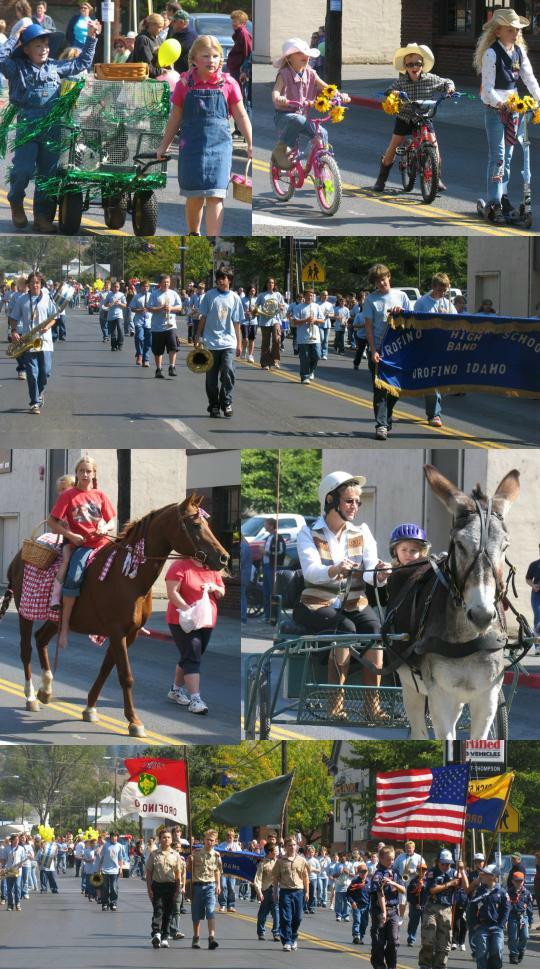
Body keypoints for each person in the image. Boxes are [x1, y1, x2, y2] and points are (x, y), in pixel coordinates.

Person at [294, 470, 390, 718]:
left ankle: (373, 707)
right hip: (315, 604)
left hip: (354, 602)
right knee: (345, 628)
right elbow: (312, 572)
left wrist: (379, 575)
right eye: (349, 501)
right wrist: (334, 569)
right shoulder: (308, 533)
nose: (355, 506)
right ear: (330, 500)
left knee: (375, 630)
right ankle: (335, 706)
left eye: (357, 502)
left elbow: (369, 573)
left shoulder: (362, 532)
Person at [0, 20, 100, 232]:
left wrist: (92, 38)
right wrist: (15, 37)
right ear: (26, 49)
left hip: (54, 127)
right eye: (37, 45)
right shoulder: (17, 68)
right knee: (23, 171)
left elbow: (81, 63)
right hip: (28, 127)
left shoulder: (55, 67)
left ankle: (42, 217)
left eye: (46, 44)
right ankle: (16, 201)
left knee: (48, 176)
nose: (44, 49)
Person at [156, 35, 252, 236]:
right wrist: (163, 146)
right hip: (191, 147)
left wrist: (251, 143)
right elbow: (175, 118)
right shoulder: (184, 83)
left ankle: (213, 238)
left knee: (216, 195)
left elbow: (241, 115)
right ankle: (194, 233)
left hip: (220, 148)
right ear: (194, 60)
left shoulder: (229, 83)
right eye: (206, 56)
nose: (212, 60)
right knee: (195, 197)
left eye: (216, 56)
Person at [473, 8, 540, 224]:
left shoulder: (519, 52)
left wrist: (538, 100)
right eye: (510, 30)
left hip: (514, 111)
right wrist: (501, 103)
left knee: (509, 158)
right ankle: (493, 202)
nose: (515, 34)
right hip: (497, 111)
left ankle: (503, 197)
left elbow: (529, 79)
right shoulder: (491, 53)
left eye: (517, 30)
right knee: (499, 157)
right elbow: (488, 88)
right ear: (498, 31)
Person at [47, 455, 116, 650]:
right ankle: (65, 626)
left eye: (89, 471)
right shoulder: (68, 495)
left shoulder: (100, 495)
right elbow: (52, 521)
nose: (85, 474)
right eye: (81, 471)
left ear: (94, 474)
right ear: (77, 473)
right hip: (83, 545)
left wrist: (107, 527)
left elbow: (111, 520)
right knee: (74, 577)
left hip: (104, 542)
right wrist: (71, 535)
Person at [373, 44, 454, 192]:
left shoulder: (430, 79)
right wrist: (394, 93)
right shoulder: (402, 82)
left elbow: (446, 81)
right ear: (405, 67)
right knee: (393, 147)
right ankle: (381, 179)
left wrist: (450, 88)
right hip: (405, 117)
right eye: (410, 64)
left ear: (422, 65)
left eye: (418, 63)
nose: (414, 67)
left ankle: (436, 178)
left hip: (424, 117)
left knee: (434, 147)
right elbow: (389, 90)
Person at [271, 38, 350, 170]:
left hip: (303, 117)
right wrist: (279, 98)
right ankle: (280, 150)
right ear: (289, 58)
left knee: (322, 133)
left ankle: (320, 161)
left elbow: (328, 89)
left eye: (306, 54)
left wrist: (340, 95)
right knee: (297, 119)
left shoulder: (311, 73)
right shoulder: (284, 74)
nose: (305, 56)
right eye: (299, 53)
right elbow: (276, 91)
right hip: (284, 116)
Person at [165, 542, 225, 715]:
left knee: (191, 655)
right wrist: (188, 610)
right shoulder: (179, 566)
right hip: (183, 620)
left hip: (206, 620)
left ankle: (175, 690)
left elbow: (221, 591)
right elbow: (172, 592)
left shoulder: (212, 568)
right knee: (192, 656)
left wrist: (215, 588)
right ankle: (195, 699)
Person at [363, 263, 411, 440]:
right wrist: (373, 350)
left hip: (398, 350)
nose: (382, 283)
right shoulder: (371, 300)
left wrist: (402, 312)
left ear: (389, 277)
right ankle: (381, 425)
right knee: (380, 390)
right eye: (377, 281)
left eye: (383, 279)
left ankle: (387, 415)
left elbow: (410, 322)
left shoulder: (402, 296)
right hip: (380, 350)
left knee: (396, 389)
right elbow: (368, 327)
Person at [194, 268, 244, 418]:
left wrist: (240, 344)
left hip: (228, 342)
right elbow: (203, 317)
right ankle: (214, 405)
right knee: (211, 377)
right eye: (219, 278)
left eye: (224, 278)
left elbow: (237, 323)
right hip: (211, 342)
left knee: (228, 371)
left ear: (230, 279)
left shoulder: (235, 298)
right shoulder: (209, 296)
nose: (221, 281)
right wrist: (197, 335)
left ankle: (226, 402)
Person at [8, 271, 59, 414]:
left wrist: (47, 326)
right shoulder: (22, 299)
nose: (35, 285)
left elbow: (54, 317)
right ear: (28, 284)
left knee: (46, 372)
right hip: (28, 341)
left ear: (41, 283)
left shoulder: (48, 297)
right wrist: (14, 331)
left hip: (45, 340)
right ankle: (34, 402)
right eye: (32, 283)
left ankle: (40, 392)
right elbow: (13, 317)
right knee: (32, 373)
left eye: (37, 282)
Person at [414, 272, 458, 428]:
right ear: (433, 287)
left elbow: (457, 325)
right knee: (432, 383)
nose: (442, 293)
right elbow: (416, 324)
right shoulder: (422, 303)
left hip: (443, 348)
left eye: (445, 290)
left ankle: (431, 400)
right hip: (427, 347)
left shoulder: (448, 305)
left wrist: (447, 319)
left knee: (440, 383)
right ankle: (434, 414)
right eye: (440, 290)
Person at [418, 849, 467, 969]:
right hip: (432, 908)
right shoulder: (432, 872)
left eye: (448, 864)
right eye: (443, 863)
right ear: (437, 862)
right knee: (428, 940)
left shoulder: (455, 873)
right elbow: (432, 889)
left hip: (446, 909)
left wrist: (462, 870)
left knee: (444, 944)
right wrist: (450, 884)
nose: (445, 866)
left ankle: (440, 966)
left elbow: (466, 887)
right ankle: (425, 965)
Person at [146, 829, 186, 949]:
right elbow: (149, 873)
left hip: (171, 886)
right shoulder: (154, 854)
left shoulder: (176, 855)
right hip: (157, 885)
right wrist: (149, 889)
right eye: (164, 837)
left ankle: (164, 937)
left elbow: (178, 874)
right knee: (158, 910)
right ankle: (157, 933)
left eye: (168, 837)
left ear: (171, 839)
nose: (166, 839)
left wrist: (177, 889)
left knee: (168, 913)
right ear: (160, 839)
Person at [370, 845, 406, 969]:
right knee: (379, 942)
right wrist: (384, 913)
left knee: (394, 941)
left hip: (394, 910)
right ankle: (379, 966)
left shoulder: (395, 873)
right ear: (380, 859)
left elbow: (403, 889)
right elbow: (380, 894)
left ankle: (392, 966)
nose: (390, 862)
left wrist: (393, 883)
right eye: (388, 859)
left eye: (392, 859)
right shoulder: (378, 875)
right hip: (380, 911)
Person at [272, 835, 309, 953]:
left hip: (298, 891)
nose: (292, 847)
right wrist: (275, 893)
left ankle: (293, 938)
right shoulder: (280, 861)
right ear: (285, 847)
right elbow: (275, 878)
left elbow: (305, 876)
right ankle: (287, 941)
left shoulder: (302, 860)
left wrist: (307, 892)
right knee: (286, 918)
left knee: (298, 918)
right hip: (285, 892)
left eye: (294, 845)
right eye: (290, 845)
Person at [468, 865, 509, 969]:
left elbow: (506, 909)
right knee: (481, 951)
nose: (482, 875)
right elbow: (472, 908)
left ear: (493, 877)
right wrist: (475, 924)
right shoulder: (479, 891)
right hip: (482, 926)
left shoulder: (502, 892)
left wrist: (500, 924)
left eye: (485, 874)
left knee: (497, 951)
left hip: (496, 927)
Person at [188, 829, 222, 950]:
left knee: (211, 911)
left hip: (210, 886)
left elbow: (217, 871)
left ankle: (211, 938)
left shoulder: (217, 855)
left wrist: (218, 885)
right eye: (207, 839)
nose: (209, 842)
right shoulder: (196, 853)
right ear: (204, 839)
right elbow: (189, 870)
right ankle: (196, 938)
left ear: (215, 842)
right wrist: (190, 861)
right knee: (196, 914)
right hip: (197, 885)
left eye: (212, 840)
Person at [147, 273, 183, 378]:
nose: (166, 284)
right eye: (164, 282)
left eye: (168, 282)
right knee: (158, 350)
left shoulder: (173, 294)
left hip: (170, 325)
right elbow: (149, 308)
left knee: (173, 347)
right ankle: (159, 369)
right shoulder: (154, 294)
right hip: (157, 327)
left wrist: (171, 308)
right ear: (160, 283)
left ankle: (172, 367)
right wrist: (161, 308)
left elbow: (180, 307)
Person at [292, 289, 323, 384]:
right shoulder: (298, 307)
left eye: (311, 296)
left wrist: (315, 320)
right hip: (303, 337)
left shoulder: (317, 306)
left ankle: (311, 371)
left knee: (317, 355)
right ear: (304, 296)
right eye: (308, 296)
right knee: (304, 357)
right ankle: (304, 376)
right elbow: (295, 321)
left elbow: (322, 320)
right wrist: (306, 320)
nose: (310, 297)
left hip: (315, 336)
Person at [254, 278, 285, 370]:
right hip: (265, 321)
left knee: (277, 340)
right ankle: (265, 363)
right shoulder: (262, 295)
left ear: (274, 285)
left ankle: (275, 360)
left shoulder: (278, 295)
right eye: (269, 282)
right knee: (265, 342)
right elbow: (255, 307)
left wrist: (281, 307)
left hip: (275, 320)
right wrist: (259, 311)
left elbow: (282, 305)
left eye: (272, 283)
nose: (271, 284)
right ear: (266, 284)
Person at [261, 518, 286, 622]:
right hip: (266, 567)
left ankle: (274, 616)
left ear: (271, 526)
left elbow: (281, 552)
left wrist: (266, 553)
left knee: (273, 592)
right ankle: (267, 616)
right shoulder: (268, 537)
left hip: (273, 568)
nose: (264, 526)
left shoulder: (278, 538)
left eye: (266, 524)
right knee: (266, 593)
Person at [255, 842, 280, 941]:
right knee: (263, 913)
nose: (277, 852)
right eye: (275, 851)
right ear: (270, 852)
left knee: (276, 912)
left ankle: (276, 933)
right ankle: (261, 932)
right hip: (266, 890)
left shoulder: (279, 862)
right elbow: (258, 879)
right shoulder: (262, 863)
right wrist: (259, 893)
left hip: (276, 890)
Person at [506, 871, 533, 964]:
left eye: (520, 881)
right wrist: (505, 920)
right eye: (516, 881)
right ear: (513, 881)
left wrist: (531, 920)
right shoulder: (508, 892)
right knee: (513, 937)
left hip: (523, 917)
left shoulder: (527, 893)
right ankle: (513, 955)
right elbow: (506, 907)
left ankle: (521, 951)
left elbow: (529, 907)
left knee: (525, 936)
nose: (518, 882)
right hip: (512, 917)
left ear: (523, 881)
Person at [129, 13, 164, 78]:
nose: (161, 30)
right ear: (151, 25)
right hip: (144, 79)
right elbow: (146, 64)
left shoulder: (159, 39)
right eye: (159, 27)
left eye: (162, 27)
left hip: (157, 77)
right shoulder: (142, 39)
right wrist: (161, 72)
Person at [217, 829, 242, 913]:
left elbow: (241, 856)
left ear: (233, 836)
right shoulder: (222, 845)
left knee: (231, 887)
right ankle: (222, 905)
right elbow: (217, 854)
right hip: (223, 869)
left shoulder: (236, 846)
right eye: (228, 836)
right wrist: (222, 854)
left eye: (231, 836)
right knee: (223, 886)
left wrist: (234, 853)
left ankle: (230, 905)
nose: (229, 837)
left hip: (232, 870)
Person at [129, 279, 152, 367]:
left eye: (147, 287)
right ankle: (140, 355)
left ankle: (145, 358)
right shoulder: (137, 296)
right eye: (144, 287)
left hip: (149, 321)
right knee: (139, 337)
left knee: (148, 341)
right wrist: (140, 310)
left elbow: (156, 307)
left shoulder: (152, 296)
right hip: (139, 320)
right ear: (141, 287)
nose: (145, 288)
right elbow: (132, 308)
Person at [99, 831, 124, 912]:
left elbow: (120, 859)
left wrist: (120, 869)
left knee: (114, 887)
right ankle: (105, 903)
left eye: (116, 837)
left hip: (115, 870)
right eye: (113, 837)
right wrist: (100, 868)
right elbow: (102, 856)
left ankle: (113, 903)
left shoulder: (120, 846)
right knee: (105, 888)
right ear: (110, 838)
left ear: (117, 837)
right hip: (105, 870)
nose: (114, 838)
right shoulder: (106, 845)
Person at [347, 860, 370, 944]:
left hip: (366, 906)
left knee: (364, 923)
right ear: (358, 872)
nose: (363, 873)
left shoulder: (369, 883)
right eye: (362, 872)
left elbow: (372, 895)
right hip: (357, 905)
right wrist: (352, 902)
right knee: (357, 920)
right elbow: (348, 894)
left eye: (365, 872)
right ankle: (356, 935)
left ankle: (361, 936)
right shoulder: (355, 882)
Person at [167, 8, 197, 73]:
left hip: (186, 72)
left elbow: (179, 49)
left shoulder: (189, 34)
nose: (172, 23)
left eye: (174, 21)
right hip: (178, 69)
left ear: (182, 22)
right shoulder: (177, 33)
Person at [101, 280, 127, 352]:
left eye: (117, 287)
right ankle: (113, 345)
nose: (116, 288)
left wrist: (119, 303)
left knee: (120, 329)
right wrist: (109, 304)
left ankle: (120, 344)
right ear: (112, 287)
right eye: (115, 287)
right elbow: (105, 304)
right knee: (113, 332)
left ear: (119, 287)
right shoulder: (109, 295)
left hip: (119, 315)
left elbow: (125, 305)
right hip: (111, 315)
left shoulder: (121, 295)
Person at [406, 862, 428, 947]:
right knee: (413, 923)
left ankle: (425, 940)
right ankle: (411, 939)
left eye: (424, 870)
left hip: (425, 906)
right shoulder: (413, 881)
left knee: (426, 924)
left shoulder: (429, 881)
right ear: (417, 871)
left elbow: (430, 892)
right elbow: (409, 894)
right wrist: (415, 903)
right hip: (415, 906)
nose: (422, 872)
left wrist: (424, 886)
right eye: (420, 870)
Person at [227, 10, 252, 82]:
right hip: (235, 69)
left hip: (239, 70)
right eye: (232, 21)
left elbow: (248, 54)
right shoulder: (239, 33)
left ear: (242, 22)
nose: (233, 23)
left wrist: (244, 71)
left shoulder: (243, 34)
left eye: (235, 21)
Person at [525, 543, 540, 640]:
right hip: (536, 594)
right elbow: (528, 579)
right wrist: (533, 585)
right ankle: (538, 644)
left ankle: (535, 636)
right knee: (538, 615)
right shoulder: (534, 564)